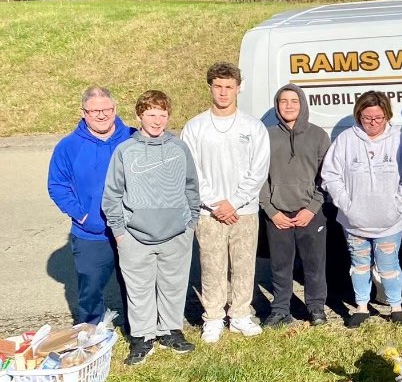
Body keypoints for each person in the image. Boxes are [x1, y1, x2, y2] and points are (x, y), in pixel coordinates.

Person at [102, 91, 201, 366]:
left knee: (173, 285)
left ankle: (170, 331)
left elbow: (191, 187)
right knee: (139, 289)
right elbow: (112, 194)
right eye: (151, 114)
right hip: (134, 236)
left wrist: (190, 223)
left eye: (162, 115)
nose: (157, 121)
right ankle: (142, 338)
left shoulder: (179, 148)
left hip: (176, 233)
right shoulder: (125, 151)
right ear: (139, 116)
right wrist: (119, 232)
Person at [181, 62, 271, 344]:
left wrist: (234, 202)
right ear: (210, 87)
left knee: (244, 266)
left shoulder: (252, 127)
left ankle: (240, 315)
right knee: (212, 266)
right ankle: (213, 318)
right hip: (209, 213)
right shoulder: (195, 127)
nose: (223, 92)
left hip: (244, 211)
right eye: (218, 86)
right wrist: (215, 203)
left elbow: (259, 170)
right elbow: (191, 171)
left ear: (238, 89)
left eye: (229, 87)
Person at [321, 91, 402, 328]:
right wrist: (346, 204)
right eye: (367, 118)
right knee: (359, 264)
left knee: (388, 265)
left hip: (390, 220)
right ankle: (362, 306)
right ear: (358, 116)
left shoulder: (400, 140)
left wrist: (399, 205)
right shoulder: (346, 140)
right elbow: (330, 175)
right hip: (354, 220)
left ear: (387, 116)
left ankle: (396, 306)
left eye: (378, 118)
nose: (373, 123)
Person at [47, 86, 135, 327]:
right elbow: (57, 185)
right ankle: (90, 332)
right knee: (90, 288)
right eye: (94, 111)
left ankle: (138, 332)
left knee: (136, 285)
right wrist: (82, 215)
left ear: (115, 108)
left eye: (107, 109)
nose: (102, 115)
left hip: (132, 229)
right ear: (83, 112)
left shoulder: (133, 138)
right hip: (92, 233)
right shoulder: (68, 146)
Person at [259, 84, 331, 328]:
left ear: (302, 104)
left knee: (314, 264)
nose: (288, 106)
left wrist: (312, 208)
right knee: (280, 266)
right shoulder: (266, 136)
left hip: (310, 213)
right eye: (283, 101)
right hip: (277, 214)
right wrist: (271, 211)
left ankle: (316, 308)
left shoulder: (318, 136)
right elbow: (260, 178)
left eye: (294, 101)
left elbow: (326, 177)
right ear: (277, 105)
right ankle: (280, 310)